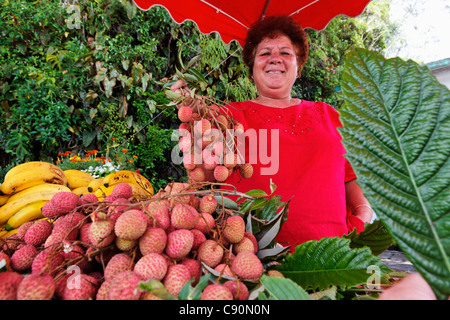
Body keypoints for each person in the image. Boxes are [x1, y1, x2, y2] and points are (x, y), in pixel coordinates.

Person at [224, 15, 373, 249]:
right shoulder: (225, 117)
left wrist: (363, 215)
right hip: (247, 266)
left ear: (298, 66)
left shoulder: (330, 115)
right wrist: (192, 111)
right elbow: (202, 178)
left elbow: (351, 177)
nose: (275, 59)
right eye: (264, 53)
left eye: (285, 53)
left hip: (332, 259)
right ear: (252, 69)